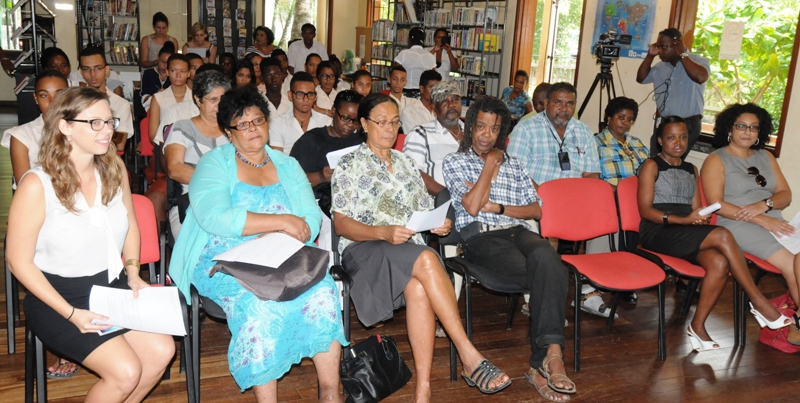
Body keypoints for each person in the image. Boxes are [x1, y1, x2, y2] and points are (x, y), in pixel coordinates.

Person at [168, 85, 347, 402]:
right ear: (228, 131)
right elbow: (215, 218)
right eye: (242, 124)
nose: (252, 128)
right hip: (222, 258)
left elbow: (310, 217)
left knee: (323, 291)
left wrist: (290, 232)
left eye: (258, 120)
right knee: (260, 304)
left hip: (283, 252)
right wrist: (281, 222)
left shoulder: (286, 164)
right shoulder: (213, 164)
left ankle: (331, 393)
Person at [331, 93, 511, 402]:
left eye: (395, 122)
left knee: (418, 288)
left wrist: (439, 224)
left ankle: (423, 390)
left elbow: (422, 212)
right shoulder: (349, 164)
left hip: (405, 249)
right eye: (381, 122)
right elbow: (341, 225)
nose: (390, 129)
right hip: (365, 248)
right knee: (427, 258)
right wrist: (383, 232)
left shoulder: (405, 163)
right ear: (364, 124)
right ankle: (468, 354)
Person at [7, 86, 175, 402]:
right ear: (65, 126)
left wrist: (133, 272)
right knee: (126, 371)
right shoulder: (37, 184)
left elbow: (131, 225)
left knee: (161, 351)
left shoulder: (113, 169)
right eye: (95, 122)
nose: (107, 130)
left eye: (109, 121)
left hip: (110, 287)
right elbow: (18, 261)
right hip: (58, 297)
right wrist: (72, 314)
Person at [443, 96, 575, 402]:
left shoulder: (515, 164)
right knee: (545, 273)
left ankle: (549, 356)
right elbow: (472, 207)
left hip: (517, 231)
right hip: (480, 237)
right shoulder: (454, 161)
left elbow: (536, 210)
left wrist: (499, 207)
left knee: (549, 259)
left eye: (494, 129)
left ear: (502, 131)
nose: (486, 135)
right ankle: (547, 361)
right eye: (480, 127)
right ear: (470, 127)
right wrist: (490, 165)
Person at [639, 116, 790, 351]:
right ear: (660, 140)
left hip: (684, 231)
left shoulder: (691, 169)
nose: (678, 142)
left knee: (719, 263)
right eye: (671, 137)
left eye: (683, 137)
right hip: (658, 230)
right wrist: (685, 220)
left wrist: (700, 217)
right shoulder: (651, 165)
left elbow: (697, 208)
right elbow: (645, 210)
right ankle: (759, 302)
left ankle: (697, 326)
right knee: (723, 234)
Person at [507, 82, 610, 319]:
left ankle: (588, 291)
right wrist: (548, 200)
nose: (563, 108)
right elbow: (516, 172)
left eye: (569, 103)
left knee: (605, 224)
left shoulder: (583, 131)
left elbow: (592, 175)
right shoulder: (528, 128)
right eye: (558, 102)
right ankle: (538, 299)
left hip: (574, 203)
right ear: (546, 104)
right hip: (536, 201)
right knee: (538, 233)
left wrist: (580, 203)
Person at [701, 103, 800, 342]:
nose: (748, 131)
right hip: (736, 225)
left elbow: (785, 195)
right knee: (791, 264)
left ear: (760, 132)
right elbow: (717, 204)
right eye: (741, 126)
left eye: (754, 127)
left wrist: (765, 204)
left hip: (774, 220)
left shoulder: (766, 156)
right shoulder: (716, 159)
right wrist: (761, 219)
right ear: (729, 128)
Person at [163, 70, 231, 238]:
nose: (219, 105)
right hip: (192, 201)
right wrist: (220, 182)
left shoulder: (236, 128)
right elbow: (175, 169)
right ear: (198, 100)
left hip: (233, 200)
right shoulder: (182, 128)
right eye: (213, 100)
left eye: (223, 99)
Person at [636, 28, 709, 158]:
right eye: (658, 47)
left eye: (664, 47)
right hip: (665, 123)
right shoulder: (661, 66)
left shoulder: (698, 61)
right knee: (655, 161)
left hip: (687, 124)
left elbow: (700, 77)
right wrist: (650, 56)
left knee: (674, 162)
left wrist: (682, 54)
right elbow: (641, 78)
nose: (660, 51)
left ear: (677, 44)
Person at [3, 70, 69, 185]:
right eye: (44, 95)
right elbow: (24, 185)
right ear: (36, 98)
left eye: (59, 95)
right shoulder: (22, 135)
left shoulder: (82, 128)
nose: (52, 102)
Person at [291, 90, 364, 189]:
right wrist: (320, 177)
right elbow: (292, 180)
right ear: (333, 111)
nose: (350, 124)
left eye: (355, 120)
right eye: (345, 118)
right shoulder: (311, 140)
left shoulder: (360, 142)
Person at [404, 80, 462, 195]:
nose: (451, 105)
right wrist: (447, 196)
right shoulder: (420, 134)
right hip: (440, 201)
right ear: (434, 107)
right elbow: (411, 172)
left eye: (455, 99)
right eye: (444, 101)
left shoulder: (474, 133)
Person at [79, 46, 134, 152]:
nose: (93, 74)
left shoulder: (120, 104)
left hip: (107, 158)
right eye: (87, 69)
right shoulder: (74, 102)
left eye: (98, 68)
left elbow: (120, 145)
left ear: (106, 70)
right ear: (81, 72)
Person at [269, 72, 331, 155]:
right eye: (300, 94)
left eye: (310, 94)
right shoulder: (278, 123)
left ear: (315, 96)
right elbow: (278, 159)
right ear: (290, 95)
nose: (306, 99)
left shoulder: (326, 123)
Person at [595, 97, 649, 187]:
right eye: (621, 117)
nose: (626, 123)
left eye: (629, 119)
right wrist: (619, 192)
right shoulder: (596, 144)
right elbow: (593, 178)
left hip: (641, 194)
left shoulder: (638, 143)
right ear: (609, 118)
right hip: (610, 194)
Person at [148, 54, 192, 144]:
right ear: (167, 72)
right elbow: (153, 135)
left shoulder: (196, 98)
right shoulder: (158, 98)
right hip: (166, 145)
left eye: (183, 71)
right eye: (173, 71)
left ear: (188, 73)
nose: (178, 75)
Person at [394, 27, 436, 98]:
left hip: (405, 92)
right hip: (423, 94)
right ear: (423, 41)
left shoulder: (404, 54)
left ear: (409, 40)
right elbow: (432, 76)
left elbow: (395, 72)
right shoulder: (431, 56)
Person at [141, 41, 175, 109]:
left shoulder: (174, 75)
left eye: (168, 63)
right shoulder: (148, 73)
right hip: (151, 108)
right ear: (157, 58)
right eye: (163, 62)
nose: (165, 66)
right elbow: (144, 97)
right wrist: (156, 96)